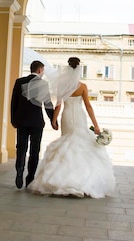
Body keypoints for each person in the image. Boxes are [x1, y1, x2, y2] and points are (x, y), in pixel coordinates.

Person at [28, 57, 116, 198]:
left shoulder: (62, 86)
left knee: (67, 143)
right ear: (78, 69)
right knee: (80, 145)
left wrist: (54, 120)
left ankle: (61, 178)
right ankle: (80, 181)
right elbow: (88, 106)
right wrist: (96, 125)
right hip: (79, 117)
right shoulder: (82, 87)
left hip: (67, 117)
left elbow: (59, 104)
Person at [10, 60, 57, 189]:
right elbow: (48, 104)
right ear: (40, 70)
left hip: (21, 121)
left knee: (21, 148)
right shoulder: (43, 84)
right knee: (34, 150)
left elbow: (14, 102)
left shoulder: (19, 82)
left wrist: (13, 120)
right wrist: (54, 120)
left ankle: (19, 171)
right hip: (36, 122)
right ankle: (30, 177)